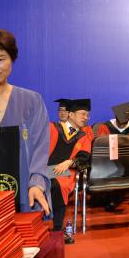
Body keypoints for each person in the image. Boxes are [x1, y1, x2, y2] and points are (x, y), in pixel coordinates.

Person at [0, 27, 51, 214]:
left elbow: (40, 149)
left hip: (26, 201)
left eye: (0, 59)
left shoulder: (31, 101)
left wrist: (36, 184)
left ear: (12, 59)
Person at [48, 98, 93, 243]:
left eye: (87, 115)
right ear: (71, 115)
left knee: (58, 185)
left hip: (65, 173)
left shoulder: (83, 136)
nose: (86, 118)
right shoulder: (52, 128)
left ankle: (57, 229)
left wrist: (69, 162)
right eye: (82, 114)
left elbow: (84, 157)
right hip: (42, 169)